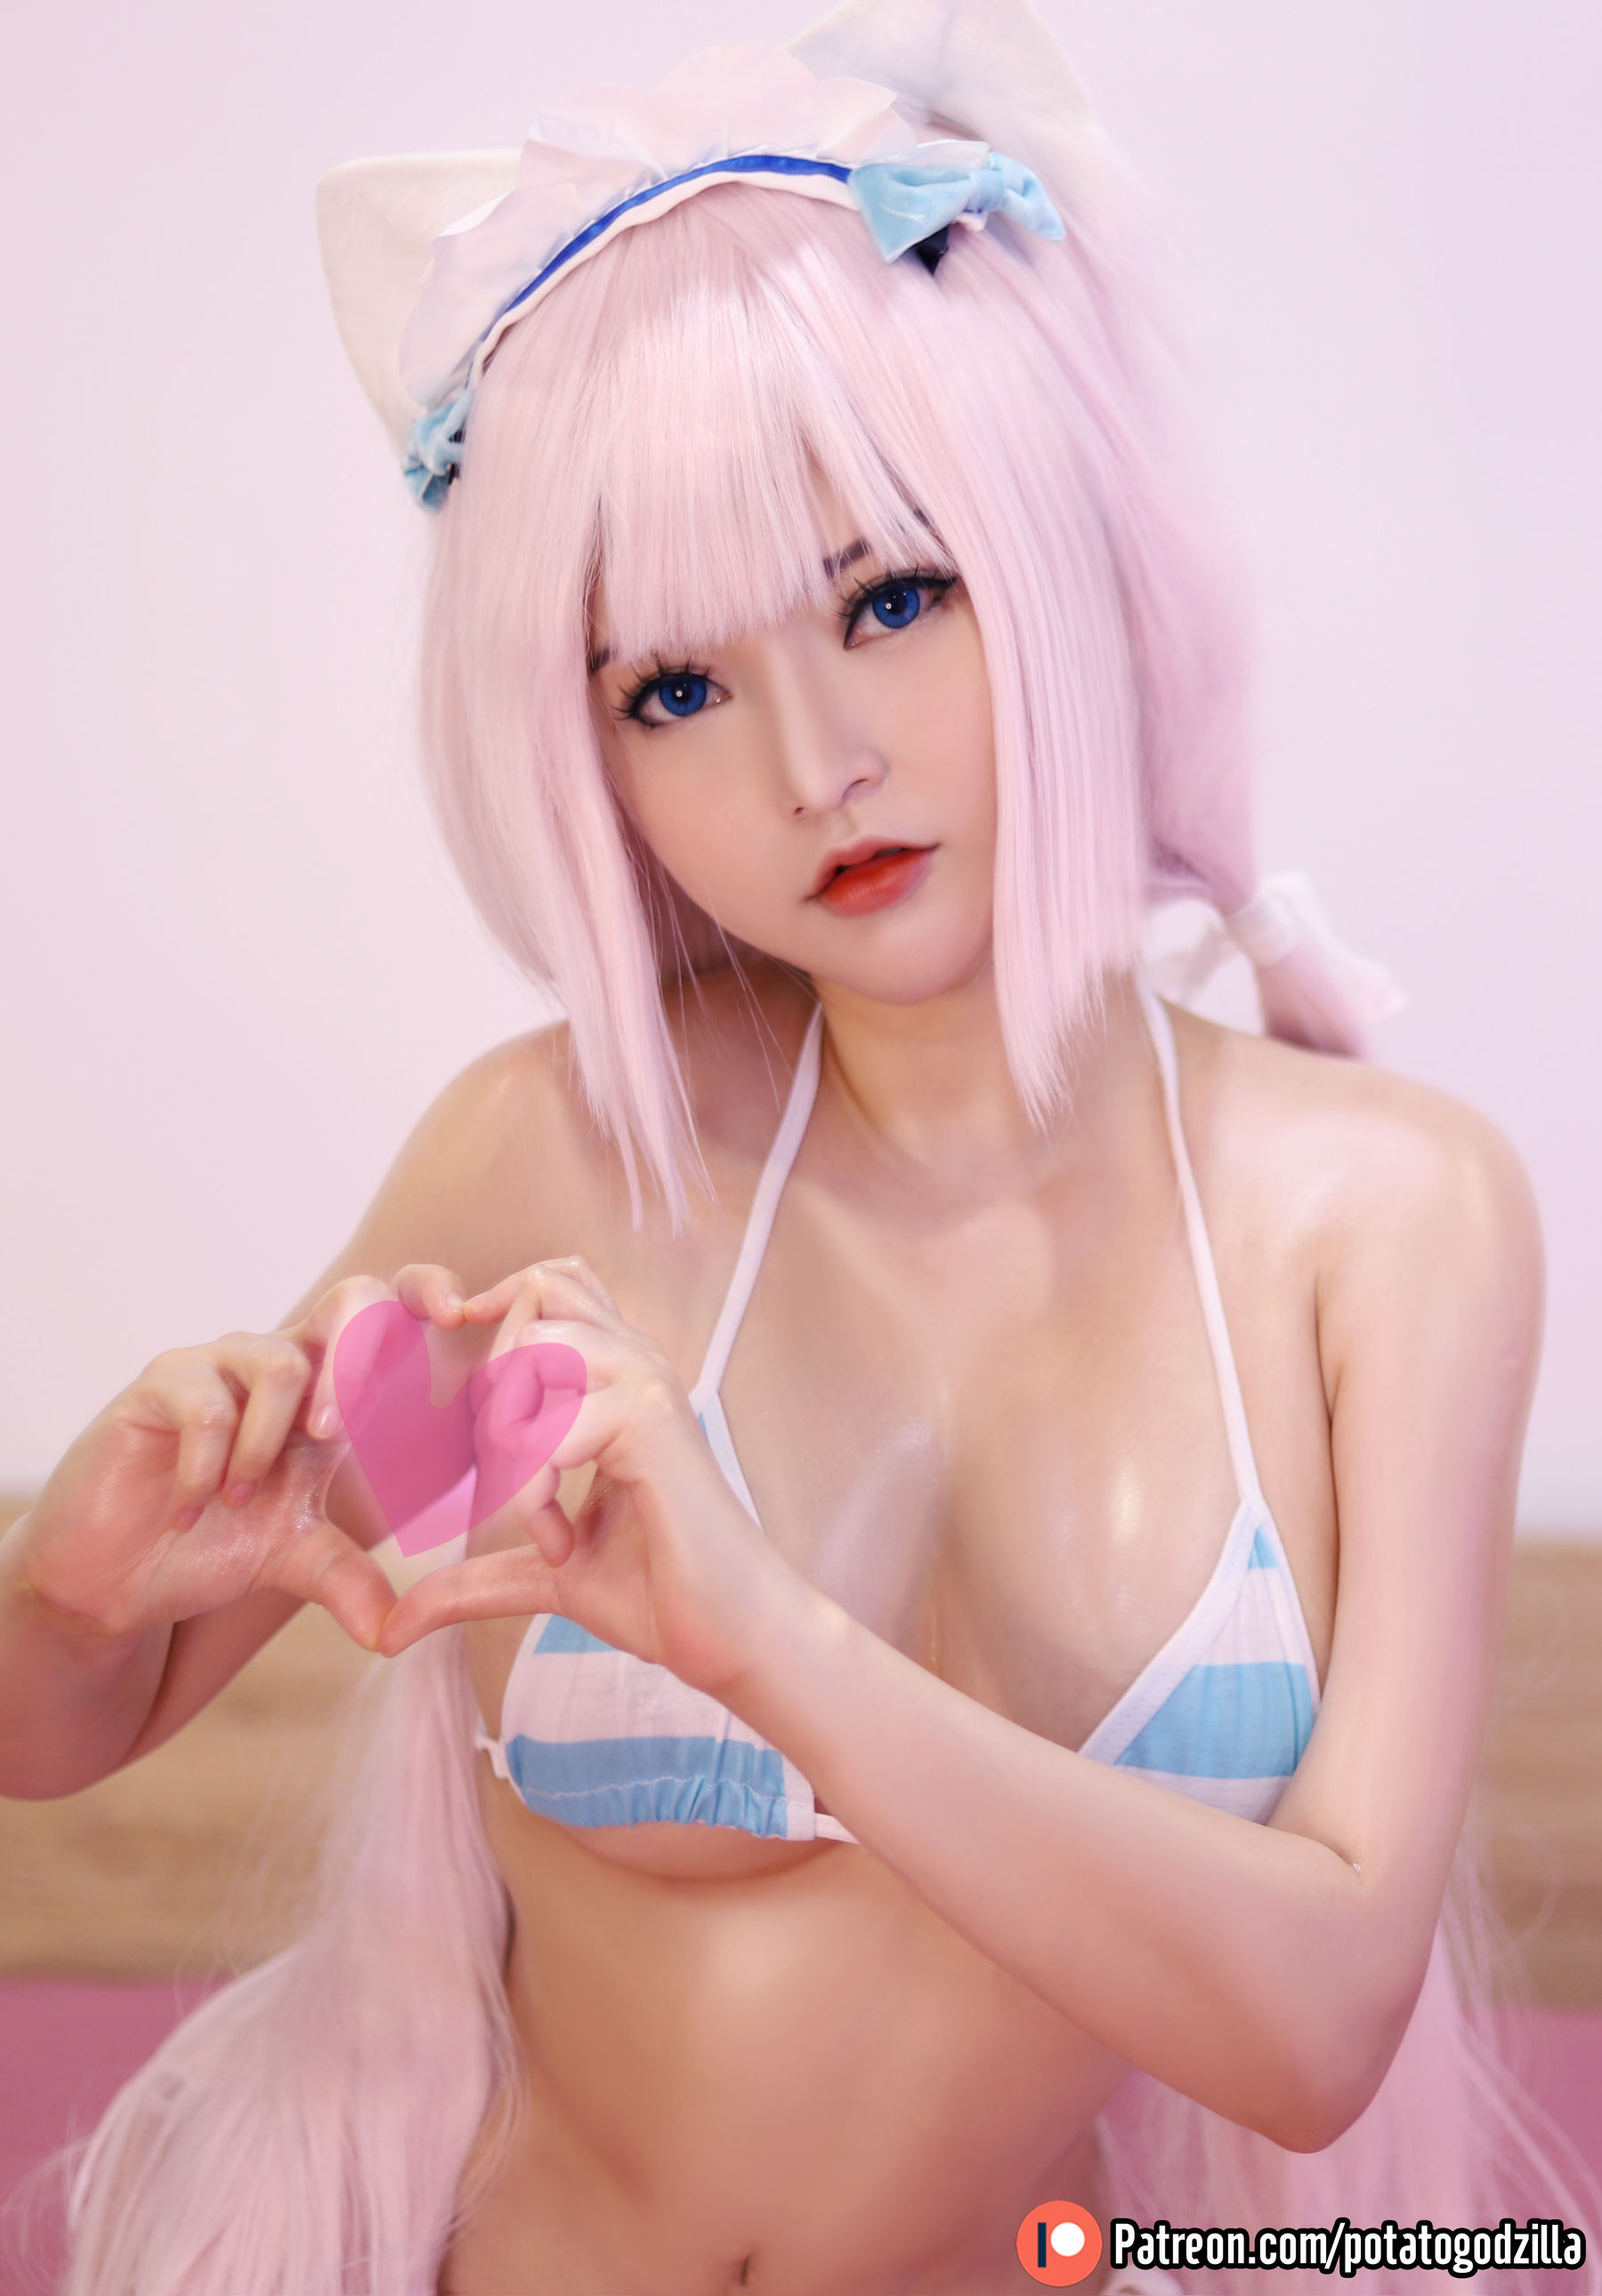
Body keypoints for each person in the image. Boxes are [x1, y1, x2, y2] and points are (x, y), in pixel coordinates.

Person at [0, 2, 1592, 2289]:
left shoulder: (1385, 1221)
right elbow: (71, 1731)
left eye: (891, 596)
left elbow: (1323, 2026)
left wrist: (761, 1640)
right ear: (586, 753)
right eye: (676, 686)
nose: (815, 761)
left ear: (1053, 554)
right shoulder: (547, 1165)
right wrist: (68, 1596)